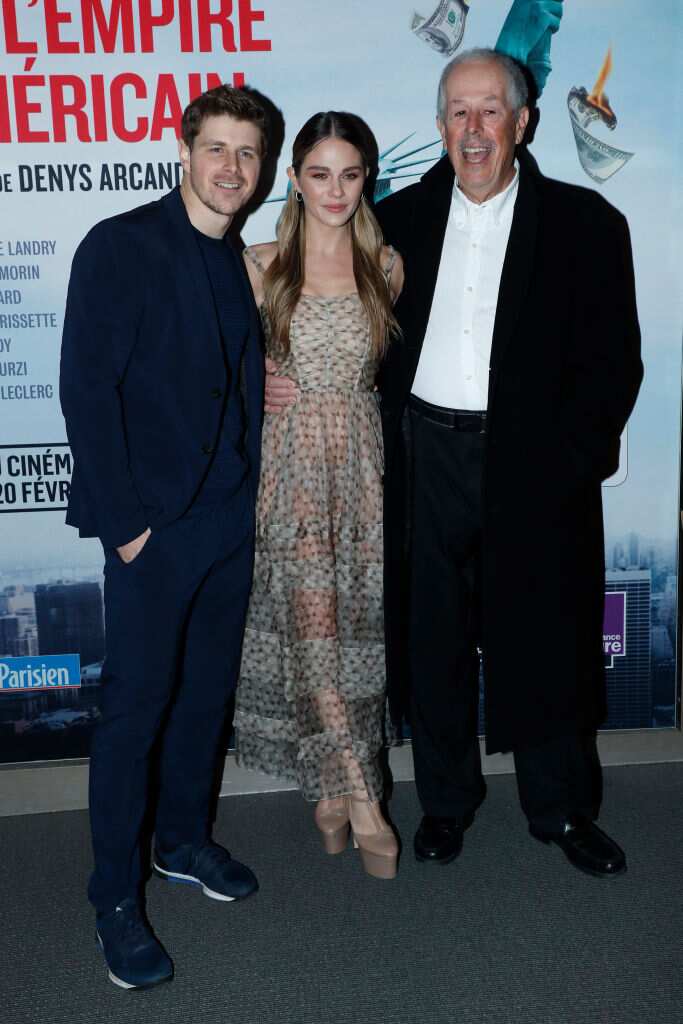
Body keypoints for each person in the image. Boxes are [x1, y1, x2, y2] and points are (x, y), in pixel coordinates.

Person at [375, 48, 642, 875]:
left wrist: (568, 463)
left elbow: (613, 364)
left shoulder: (587, 225)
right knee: (433, 642)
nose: (474, 129)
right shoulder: (395, 220)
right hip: (422, 456)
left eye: (490, 110)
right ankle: (445, 805)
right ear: (439, 127)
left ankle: (560, 811)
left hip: (532, 466)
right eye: (458, 112)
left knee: (547, 641)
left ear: (522, 123)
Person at [60, 84, 267, 990]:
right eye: (216, 148)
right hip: (153, 529)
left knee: (203, 699)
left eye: (248, 154)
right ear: (183, 148)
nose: (231, 168)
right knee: (134, 714)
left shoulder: (237, 258)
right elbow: (84, 393)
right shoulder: (121, 245)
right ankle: (114, 895)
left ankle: (181, 842)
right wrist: (130, 529)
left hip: (228, 521)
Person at [233, 111, 404, 880]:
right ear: (294, 179)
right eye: (318, 173)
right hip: (292, 471)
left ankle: (328, 802)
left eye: (350, 173)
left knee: (351, 639)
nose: (335, 190)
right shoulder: (258, 263)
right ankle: (363, 802)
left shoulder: (386, 266)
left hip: (362, 477)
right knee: (312, 636)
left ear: (365, 179)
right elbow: (216, 376)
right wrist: (256, 388)